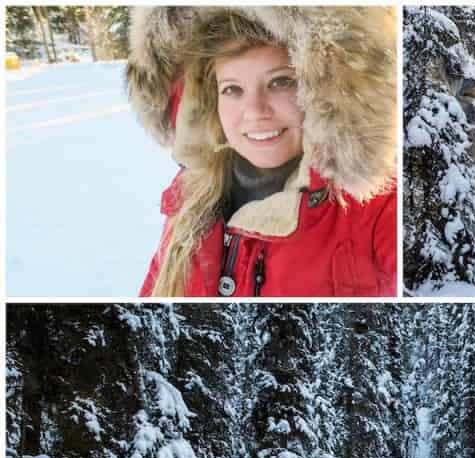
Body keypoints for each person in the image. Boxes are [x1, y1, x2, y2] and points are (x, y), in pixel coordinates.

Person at [126, 6, 397, 296]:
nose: (255, 111)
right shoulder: (192, 197)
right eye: (232, 89)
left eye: (280, 82)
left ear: (324, 92)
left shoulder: (375, 206)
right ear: (208, 99)